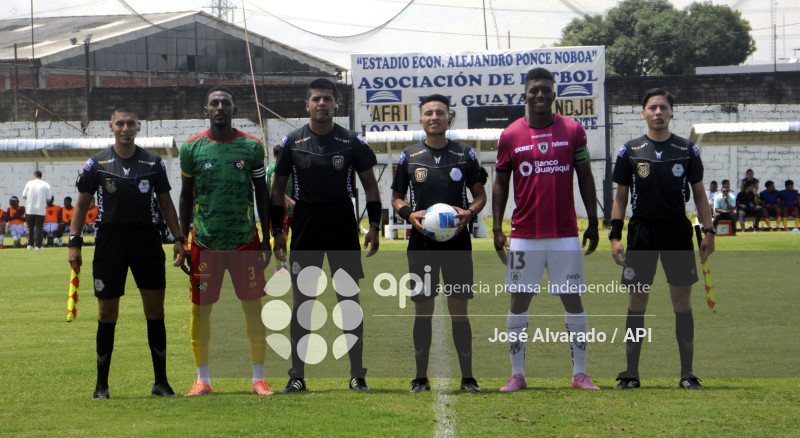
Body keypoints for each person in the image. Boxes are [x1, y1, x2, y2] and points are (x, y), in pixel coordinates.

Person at [492, 67, 600, 392]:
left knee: (573, 299)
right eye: (533, 90)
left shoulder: (573, 131)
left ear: (554, 94)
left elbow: (585, 177)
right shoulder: (510, 135)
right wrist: (497, 228)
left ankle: (580, 373)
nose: (539, 95)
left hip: (565, 233)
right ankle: (517, 374)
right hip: (524, 235)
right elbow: (500, 183)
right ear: (524, 94)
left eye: (545, 90)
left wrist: (594, 222)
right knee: (518, 301)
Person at [68, 106, 187, 400]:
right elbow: (81, 206)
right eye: (120, 123)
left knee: (155, 311)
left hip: (147, 240)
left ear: (138, 126)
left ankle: (161, 383)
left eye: (130, 123)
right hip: (110, 242)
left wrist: (178, 239)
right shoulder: (96, 164)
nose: (125, 128)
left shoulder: (153, 162)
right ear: (111, 127)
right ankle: (101, 386)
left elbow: (166, 203)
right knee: (107, 313)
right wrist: (74, 243)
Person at [271, 78, 381, 393]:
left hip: (342, 222)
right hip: (305, 222)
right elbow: (277, 190)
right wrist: (278, 230)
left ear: (336, 104)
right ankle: (296, 375)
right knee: (303, 300)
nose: (322, 103)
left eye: (327, 99)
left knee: (349, 298)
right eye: (316, 99)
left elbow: (370, 186)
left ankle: (357, 374)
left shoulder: (351, 142)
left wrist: (374, 225)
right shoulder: (292, 141)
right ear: (307, 105)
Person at [609, 88, 715, 390]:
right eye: (652, 107)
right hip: (641, 232)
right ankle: (630, 373)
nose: (658, 112)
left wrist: (709, 231)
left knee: (681, 301)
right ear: (643, 113)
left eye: (663, 107)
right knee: (636, 299)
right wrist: (615, 236)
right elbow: (620, 196)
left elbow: (699, 194)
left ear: (672, 112)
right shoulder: (629, 150)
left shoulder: (686, 149)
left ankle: (687, 374)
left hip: (677, 231)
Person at [179, 86, 274, 397]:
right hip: (204, 243)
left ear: (235, 109)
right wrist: (181, 238)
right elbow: (185, 195)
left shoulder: (252, 147)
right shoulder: (191, 149)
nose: (220, 107)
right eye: (214, 103)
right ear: (206, 110)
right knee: (201, 310)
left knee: (252, 309)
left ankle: (258, 379)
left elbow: (262, 192)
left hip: (244, 241)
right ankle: (202, 380)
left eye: (226, 103)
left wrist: (266, 237)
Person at [390, 94, 487, 393]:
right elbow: (396, 198)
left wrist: (470, 212)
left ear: (448, 118)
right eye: (429, 113)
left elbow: (481, 196)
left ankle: (468, 378)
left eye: (440, 113)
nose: (434, 117)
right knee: (423, 311)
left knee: (460, 312)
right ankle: (420, 377)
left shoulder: (465, 154)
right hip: (422, 245)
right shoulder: (409, 156)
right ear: (421, 120)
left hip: (457, 244)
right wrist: (409, 213)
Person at [266, 144, 295, 273]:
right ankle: (280, 267)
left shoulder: (273, 166)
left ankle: (283, 266)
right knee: (279, 237)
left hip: (284, 209)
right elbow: (274, 187)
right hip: (280, 208)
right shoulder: (275, 167)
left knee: (285, 237)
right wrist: (289, 201)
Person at [22, 170, 53, 250]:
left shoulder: (29, 183)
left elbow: (24, 196)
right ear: (41, 176)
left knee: (31, 228)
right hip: (40, 209)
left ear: (34, 176)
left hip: (30, 209)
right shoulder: (45, 184)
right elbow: (49, 198)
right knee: (39, 227)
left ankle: (30, 245)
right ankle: (38, 246)